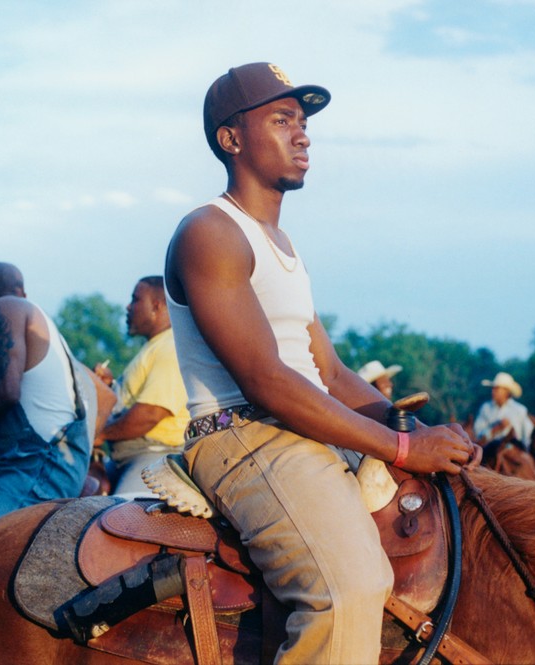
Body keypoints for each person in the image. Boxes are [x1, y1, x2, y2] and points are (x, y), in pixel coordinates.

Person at [161, 61, 477, 664]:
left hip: (300, 431)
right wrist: (403, 450)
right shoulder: (211, 231)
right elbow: (267, 381)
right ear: (231, 138)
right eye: (282, 120)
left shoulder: (282, 247)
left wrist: (415, 428)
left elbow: (327, 373)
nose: (302, 134)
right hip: (246, 437)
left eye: (303, 123)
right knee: (349, 589)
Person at [0, 262, 98, 528]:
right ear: (23, 292)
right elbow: (105, 396)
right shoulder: (39, 326)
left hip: (35, 468)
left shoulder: (5, 308)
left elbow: (6, 393)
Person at [93, 276, 189, 495]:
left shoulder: (169, 347)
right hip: (127, 458)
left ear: (156, 306)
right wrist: (109, 385)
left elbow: (150, 413)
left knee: (121, 518)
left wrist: (101, 435)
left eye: (135, 299)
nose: (128, 306)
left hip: (154, 457)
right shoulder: (154, 347)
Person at [473, 371, 535, 448]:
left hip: (513, 453)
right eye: (493, 388)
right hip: (488, 453)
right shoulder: (486, 408)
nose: (493, 391)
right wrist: (495, 429)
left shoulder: (520, 410)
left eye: (497, 389)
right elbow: (478, 434)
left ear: (506, 391)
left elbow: (528, 436)